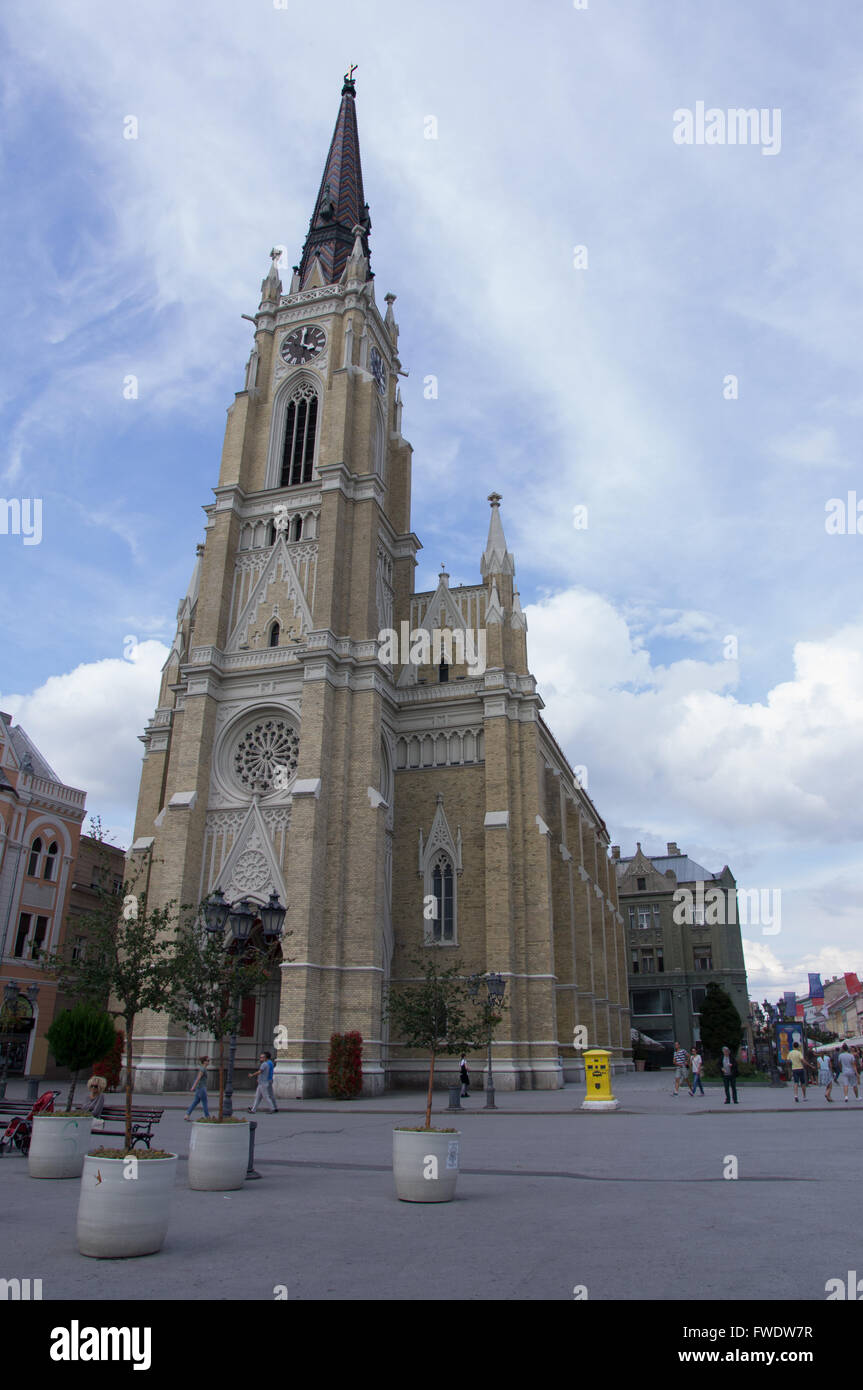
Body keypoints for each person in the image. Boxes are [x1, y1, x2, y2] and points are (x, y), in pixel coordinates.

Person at [185, 1055, 210, 1120]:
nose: (209, 1062)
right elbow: (198, 1078)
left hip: (199, 1088)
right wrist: (193, 1087)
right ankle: (207, 1117)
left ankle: (187, 1115)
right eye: (208, 1061)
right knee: (205, 1102)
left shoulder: (203, 1068)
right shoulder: (202, 1069)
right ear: (204, 1062)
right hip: (201, 1088)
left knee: (195, 1101)